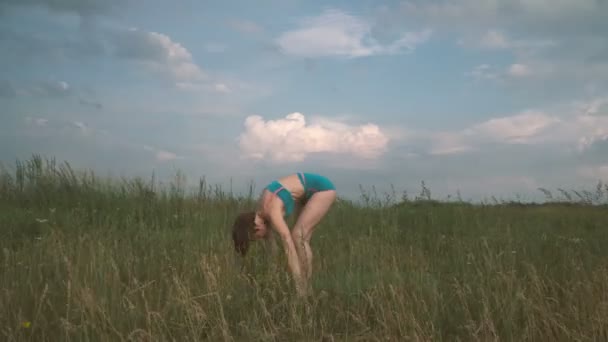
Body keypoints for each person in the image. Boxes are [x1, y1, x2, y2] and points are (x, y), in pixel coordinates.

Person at [232, 172, 337, 296]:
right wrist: (271, 276)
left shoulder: (271, 212)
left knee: (298, 236)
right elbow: (273, 251)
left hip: (322, 189)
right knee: (302, 237)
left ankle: (303, 289)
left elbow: (289, 247)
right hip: (304, 194)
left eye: (255, 238)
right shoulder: (262, 216)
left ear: (255, 227)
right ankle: (306, 290)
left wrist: (297, 285)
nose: (260, 239)